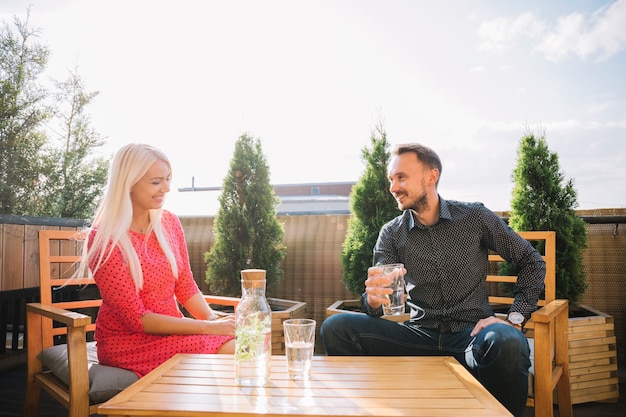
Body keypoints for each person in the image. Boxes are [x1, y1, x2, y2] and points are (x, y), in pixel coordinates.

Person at [320, 143, 545, 417]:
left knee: (507, 340)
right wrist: (373, 299)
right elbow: (378, 303)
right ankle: (374, 409)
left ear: (431, 176)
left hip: (471, 337)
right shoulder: (392, 233)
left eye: (401, 177)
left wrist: (515, 319)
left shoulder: (475, 217)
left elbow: (532, 261)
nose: (393, 187)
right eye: (391, 179)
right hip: (416, 335)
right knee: (337, 327)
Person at [76, 143, 235, 378]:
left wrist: (213, 319)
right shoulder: (105, 239)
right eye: (156, 182)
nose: (166, 188)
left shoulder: (169, 223)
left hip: (173, 334)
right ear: (129, 183)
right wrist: (208, 327)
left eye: (168, 179)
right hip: (129, 344)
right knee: (234, 350)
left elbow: (185, 285)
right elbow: (137, 320)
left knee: (250, 339)